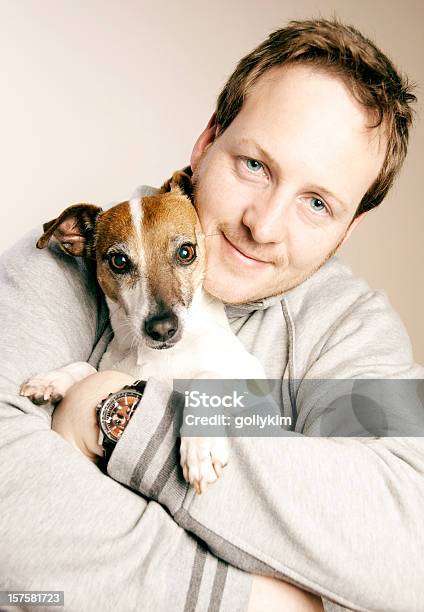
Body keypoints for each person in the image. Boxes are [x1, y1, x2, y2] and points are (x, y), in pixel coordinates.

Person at [1, 17, 423, 612]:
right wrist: (259, 601)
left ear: (349, 227)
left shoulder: (354, 329)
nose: (263, 225)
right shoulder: (70, 267)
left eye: (317, 202)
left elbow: (411, 548)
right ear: (206, 142)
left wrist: (111, 412)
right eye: (255, 165)